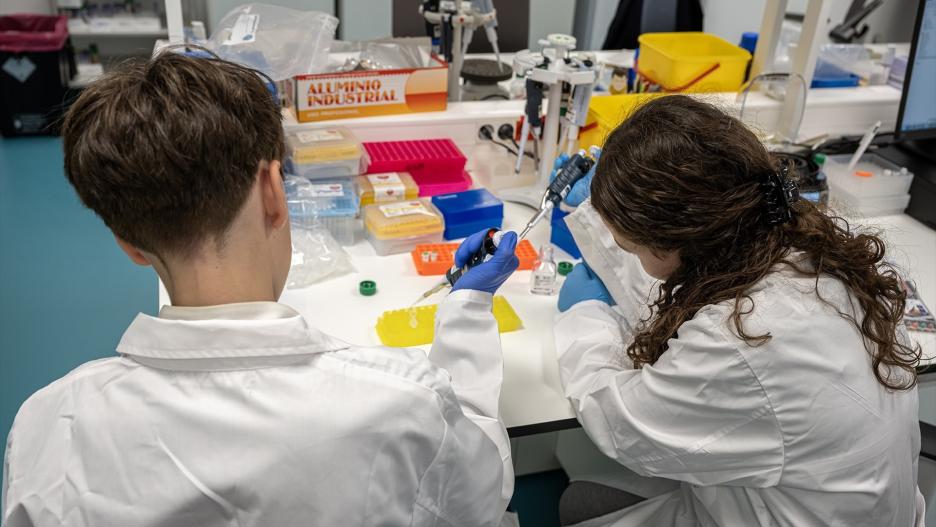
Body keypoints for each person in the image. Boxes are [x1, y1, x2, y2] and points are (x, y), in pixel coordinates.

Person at [1, 51, 519, 526]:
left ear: (128, 244)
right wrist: (468, 313)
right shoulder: (402, 400)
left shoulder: (47, 426)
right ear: (274, 192)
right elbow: (481, 494)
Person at [553, 95, 924, 526]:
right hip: (810, 497)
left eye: (631, 247)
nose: (634, 259)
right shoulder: (804, 248)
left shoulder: (743, 342)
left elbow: (623, 424)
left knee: (577, 506)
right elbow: (688, 286)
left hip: (785, 510)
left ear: (678, 240)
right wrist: (600, 219)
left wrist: (585, 319)